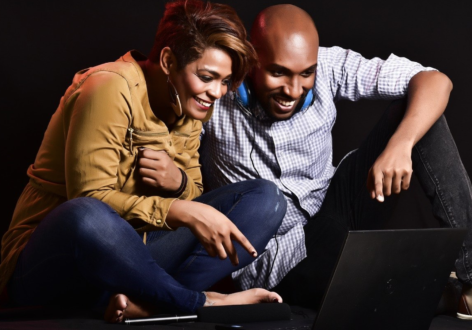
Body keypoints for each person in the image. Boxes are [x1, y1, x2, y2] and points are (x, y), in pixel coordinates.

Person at [199, 4, 472, 322]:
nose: (293, 90)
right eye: (278, 72)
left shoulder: (329, 66)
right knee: (385, 294)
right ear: (250, 58)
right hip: (278, 262)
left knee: (417, 116)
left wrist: (401, 144)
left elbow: (436, 81)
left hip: (334, 215)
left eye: (305, 74)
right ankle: (439, 292)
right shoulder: (217, 89)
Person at [0, 0, 288, 324]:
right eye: (208, 77)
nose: (217, 92)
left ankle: (148, 303)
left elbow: (194, 200)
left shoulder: (193, 105)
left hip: (134, 265)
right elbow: (89, 200)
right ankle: (198, 302)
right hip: (54, 265)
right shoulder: (108, 87)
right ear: (168, 61)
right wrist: (175, 209)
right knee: (87, 215)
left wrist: (178, 183)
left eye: (224, 81)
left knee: (266, 200)